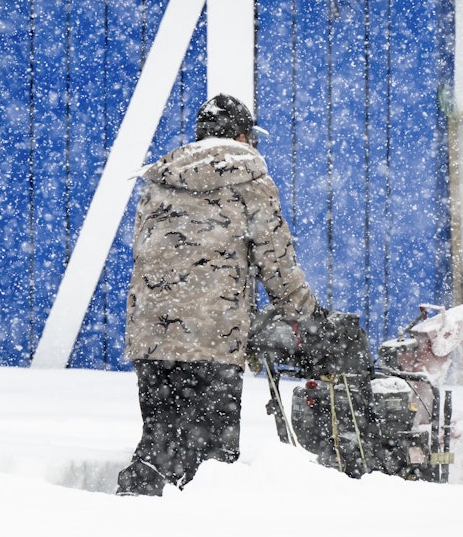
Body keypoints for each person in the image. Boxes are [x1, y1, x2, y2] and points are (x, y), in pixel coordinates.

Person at [116, 94, 322, 496]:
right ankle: (195, 518)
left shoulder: (160, 179)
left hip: (152, 333)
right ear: (243, 136)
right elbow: (276, 260)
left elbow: (146, 250)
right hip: (213, 335)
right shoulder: (251, 179)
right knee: (211, 463)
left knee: (161, 441)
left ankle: (138, 500)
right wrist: (306, 313)